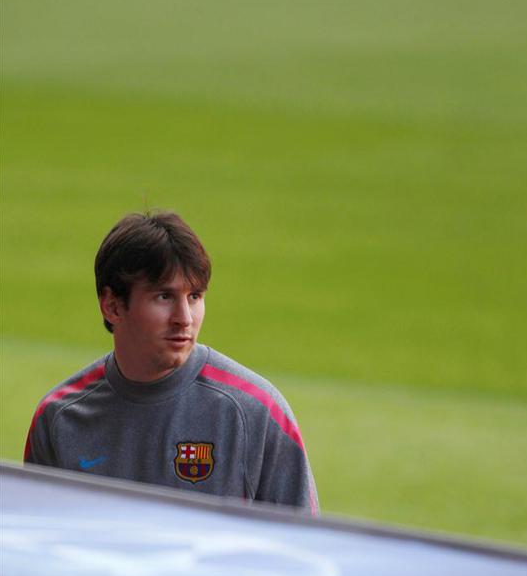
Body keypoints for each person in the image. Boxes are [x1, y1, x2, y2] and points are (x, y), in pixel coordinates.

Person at [24, 211, 318, 514]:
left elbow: (304, 539)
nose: (184, 318)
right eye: (164, 296)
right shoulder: (59, 419)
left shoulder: (257, 413)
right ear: (112, 306)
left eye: (195, 296)